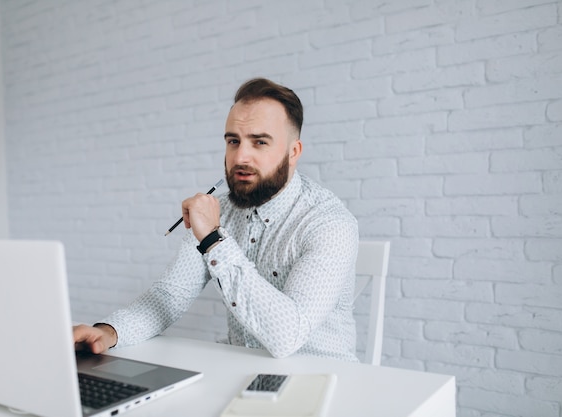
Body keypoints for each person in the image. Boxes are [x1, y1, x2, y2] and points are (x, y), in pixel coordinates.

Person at [73, 78, 359, 361]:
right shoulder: (219, 212)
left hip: (323, 382)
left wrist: (213, 238)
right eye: (233, 141)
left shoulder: (329, 223)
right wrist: (109, 332)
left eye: (259, 142)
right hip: (243, 374)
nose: (241, 156)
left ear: (293, 152)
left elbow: (287, 336)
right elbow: (171, 294)